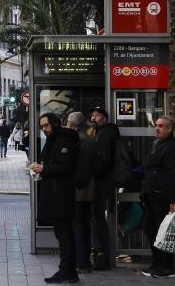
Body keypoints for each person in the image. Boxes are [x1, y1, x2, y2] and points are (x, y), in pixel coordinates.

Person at [29, 113, 80, 284]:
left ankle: (67, 271)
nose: (44, 129)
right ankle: (68, 271)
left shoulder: (64, 140)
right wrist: (40, 168)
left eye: (46, 125)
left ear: (55, 124)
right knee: (62, 234)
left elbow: (65, 167)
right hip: (55, 194)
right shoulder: (55, 139)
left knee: (65, 235)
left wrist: (43, 168)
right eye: (42, 126)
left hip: (61, 195)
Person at [140, 116, 175, 279]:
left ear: (169, 129)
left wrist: (173, 199)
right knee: (151, 229)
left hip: (162, 197)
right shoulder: (158, 145)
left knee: (162, 232)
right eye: (156, 125)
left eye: (161, 126)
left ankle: (166, 267)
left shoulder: (172, 147)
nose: (157, 128)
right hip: (153, 195)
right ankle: (157, 264)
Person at [89, 106, 120, 270]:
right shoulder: (101, 133)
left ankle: (102, 255)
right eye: (93, 115)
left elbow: (105, 160)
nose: (94, 118)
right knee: (98, 217)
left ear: (104, 118)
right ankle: (101, 254)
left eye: (97, 115)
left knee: (98, 218)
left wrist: (94, 172)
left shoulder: (106, 134)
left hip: (102, 181)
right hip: (103, 180)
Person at [66, 112, 97, 274]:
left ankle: (81, 262)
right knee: (85, 226)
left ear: (72, 124)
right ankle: (86, 260)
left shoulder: (75, 141)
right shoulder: (91, 141)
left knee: (77, 226)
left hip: (77, 191)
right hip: (89, 190)